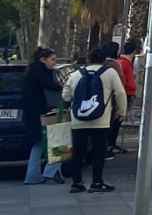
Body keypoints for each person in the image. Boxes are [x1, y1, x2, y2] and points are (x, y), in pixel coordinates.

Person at [61, 46, 127, 193]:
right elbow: (121, 93)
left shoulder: (76, 74)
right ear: (104, 60)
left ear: (89, 59)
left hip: (78, 121)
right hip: (101, 120)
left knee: (78, 153)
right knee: (99, 152)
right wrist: (121, 112)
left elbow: (65, 96)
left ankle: (77, 183)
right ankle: (97, 182)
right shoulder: (110, 73)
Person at [22, 48, 65, 185]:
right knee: (59, 139)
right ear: (43, 59)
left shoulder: (32, 70)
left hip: (34, 114)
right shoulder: (41, 72)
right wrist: (63, 85)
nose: (54, 62)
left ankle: (33, 175)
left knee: (39, 143)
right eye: (52, 59)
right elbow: (51, 86)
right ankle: (50, 172)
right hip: (43, 113)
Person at [110, 40, 138, 155]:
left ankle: (111, 143)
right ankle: (111, 144)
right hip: (125, 93)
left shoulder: (124, 62)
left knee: (118, 121)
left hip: (127, 92)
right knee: (117, 120)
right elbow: (123, 80)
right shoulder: (124, 63)